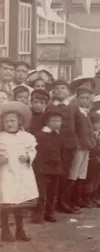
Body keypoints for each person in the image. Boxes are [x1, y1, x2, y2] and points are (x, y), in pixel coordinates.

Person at [0, 101, 38, 242]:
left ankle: (20, 230)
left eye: (12, 120)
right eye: (6, 121)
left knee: (20, 202)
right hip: (5, 173)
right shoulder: (1, 137)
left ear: (19, 121)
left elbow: (33, 151)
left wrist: (28, 157)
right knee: (6, 201)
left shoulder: (26, 137)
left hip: (23, 173)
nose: (10, 124)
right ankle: (5, 230)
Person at [46, 80, 80, 215]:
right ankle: (52, 202)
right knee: (54, 173)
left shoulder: (72, 106)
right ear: (53, 92)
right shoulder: (49, 107)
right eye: (57, 89)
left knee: (66, 173)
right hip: (55, 145)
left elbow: (78, 124)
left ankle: (63, 200)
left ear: (68, 91)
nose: (60, 91)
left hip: (69, 144)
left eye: (63, 88)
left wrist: (75, 141)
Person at [32, 108, 65, 223]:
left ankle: (49, 213)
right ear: (47, 122)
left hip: (55, 168)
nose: (57, 123)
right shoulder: (40, 135)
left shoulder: (58, 135)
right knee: (41, 193)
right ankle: (38, 215)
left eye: (59, 121)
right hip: (43, 169)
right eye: (54, 120)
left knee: (53, 192)